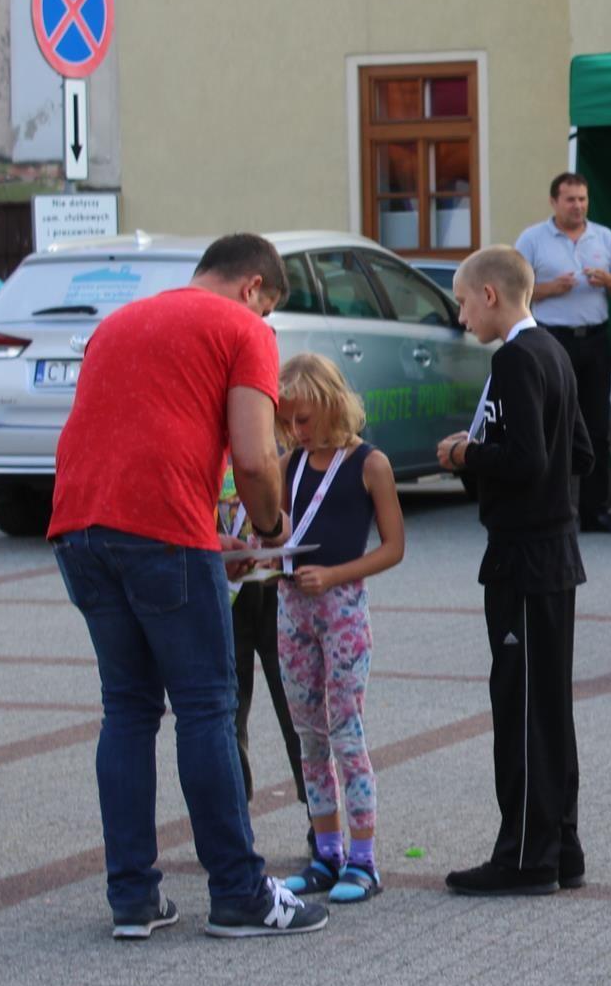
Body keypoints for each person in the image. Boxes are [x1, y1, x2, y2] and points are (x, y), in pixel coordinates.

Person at [49, 233, 327, 940]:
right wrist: (269, 530)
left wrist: (209, 539)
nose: (267, 323)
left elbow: (133, 438)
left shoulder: (119, 324)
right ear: (254, 289)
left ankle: (134, 899)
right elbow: (258, 457)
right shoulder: (242, 328)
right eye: (269, 309)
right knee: (205, 708)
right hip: (162, 535)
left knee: (128, 710)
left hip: (79, 527)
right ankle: (239, 894)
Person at [437, 246, 595, 897]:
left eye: (463, 301)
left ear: (492, 295)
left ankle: (526, 857)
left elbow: (527, 458)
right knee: (548, 706)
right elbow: (580, 451)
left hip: (525, 556)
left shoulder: (515, 358)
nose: (462, 314)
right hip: (551, 551)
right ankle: (562, 848)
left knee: (523, 707)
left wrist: (466, 453)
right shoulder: (553, 352)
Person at [274, 354, 405, 906]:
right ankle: (326, 851)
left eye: (303, 420)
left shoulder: (370, 464)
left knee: (346, 732)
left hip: (343, 608)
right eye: (289, 423)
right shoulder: (290, 464)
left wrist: (333, 575)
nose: (296, 432)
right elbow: (280, 529)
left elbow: (393, 548)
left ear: (330, 405)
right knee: (308, 733)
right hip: (292, 608)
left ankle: (364, 859)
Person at [517, 173, 611, 534]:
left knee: (596, 426)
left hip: (595, 339)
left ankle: (594, 509)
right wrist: (550, 288)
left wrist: (608, 282)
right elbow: (513, 288)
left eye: (583, 199)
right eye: (570, 200)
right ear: (554, 202)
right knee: (554, 423)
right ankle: (554, 507)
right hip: (553, 340)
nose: (578, 206)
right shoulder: (532, 238)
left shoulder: (604, 236)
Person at [219, 460, 305, 847]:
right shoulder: (203, 439)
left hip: (277, 591)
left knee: (297, 710)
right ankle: (234, 823)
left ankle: (320, 818)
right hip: (224, 594)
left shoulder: (281, 447)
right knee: (227, 713)